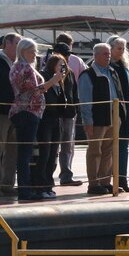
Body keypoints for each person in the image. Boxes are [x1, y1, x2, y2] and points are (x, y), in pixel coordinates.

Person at [11, 39, 64, 201]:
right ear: (23, 51)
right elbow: (33, 92)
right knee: (25, 154)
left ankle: (26, 188)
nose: (35, 54)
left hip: (29, 113)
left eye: (35, 51)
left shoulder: (20, 67)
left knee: (26, 153)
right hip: (27, 113)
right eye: (32, 51)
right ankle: (25, 190)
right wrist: (52, 81)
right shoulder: (23, 68)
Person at [78, 43, 122, 195]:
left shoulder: (113, 72)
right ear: (95, 56)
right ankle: (93, 184)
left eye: (109, 53)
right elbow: (85, 100)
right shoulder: (87, 74)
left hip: (113, 116)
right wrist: (88, 121)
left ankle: (105, 182)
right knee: (95, 151)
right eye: (105, 54)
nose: (108, 56)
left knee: (108, 151)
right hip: (97, 119)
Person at [32, 53, 72, 199]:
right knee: (44, 153)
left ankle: (48, 184)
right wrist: (53, 80)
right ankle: (40, 185)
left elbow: (62, 102)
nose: (63, 68)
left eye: (64, 66)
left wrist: (60, 83)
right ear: (53, 64)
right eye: (61, 65)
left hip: (56, 119)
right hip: (45, 119)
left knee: (53, 154)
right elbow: (42, 95)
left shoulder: (59, 80)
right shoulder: (45, 75)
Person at [53, 33, 85, 187]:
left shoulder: (71, 70)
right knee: (55, 145)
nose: (65, 58)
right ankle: (49, 176)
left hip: (68, 112)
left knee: (66, 145)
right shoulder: (48, 70)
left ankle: (66, 175)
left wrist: (75, 106)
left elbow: (74, 90)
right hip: (54, 113)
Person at [108, 36, 129, 192]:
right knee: (109, 148)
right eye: (119, 48)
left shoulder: (125, 67)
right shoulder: (107, 67)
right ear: (111, 48)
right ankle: (108, 181)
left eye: (123, 48)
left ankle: (122, 180)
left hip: (125, 112)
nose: (122, 51)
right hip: (113, 113)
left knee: (123, 148)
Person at [0, 34, 21, 196]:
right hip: (1, 113)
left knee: (12, 150)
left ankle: (7, 185)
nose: (20, 47)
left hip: (17, 113)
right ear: (7, 43)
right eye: (17, 43)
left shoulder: (19, 64)